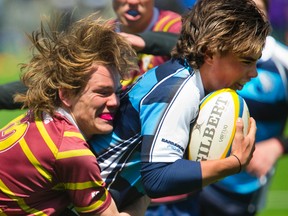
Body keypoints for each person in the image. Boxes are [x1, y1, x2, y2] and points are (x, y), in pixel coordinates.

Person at [89, 0, 270, 211]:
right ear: (210, 53)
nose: (254, 73)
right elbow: (157, 178)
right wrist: (233, 164)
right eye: (247, 61)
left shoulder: (183, 73)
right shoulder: (181, 90)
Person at [0, 13, 149, 215]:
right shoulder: (71, 152)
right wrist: (147, 184)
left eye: (116, 91)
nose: (114, 102)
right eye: (102, 92)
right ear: (67, 94)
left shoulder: (42, 114)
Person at [0, 0, 181, 109]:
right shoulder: (102, 32)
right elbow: (56, 82)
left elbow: (196, 47)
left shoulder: (174, 26)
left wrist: (142, 42)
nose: (132, 2)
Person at [196, 0, 288, 215]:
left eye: (255, 9)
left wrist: (278, 145)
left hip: (241, 191)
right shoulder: (206, 53)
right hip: (192, 178)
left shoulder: (283, 63)